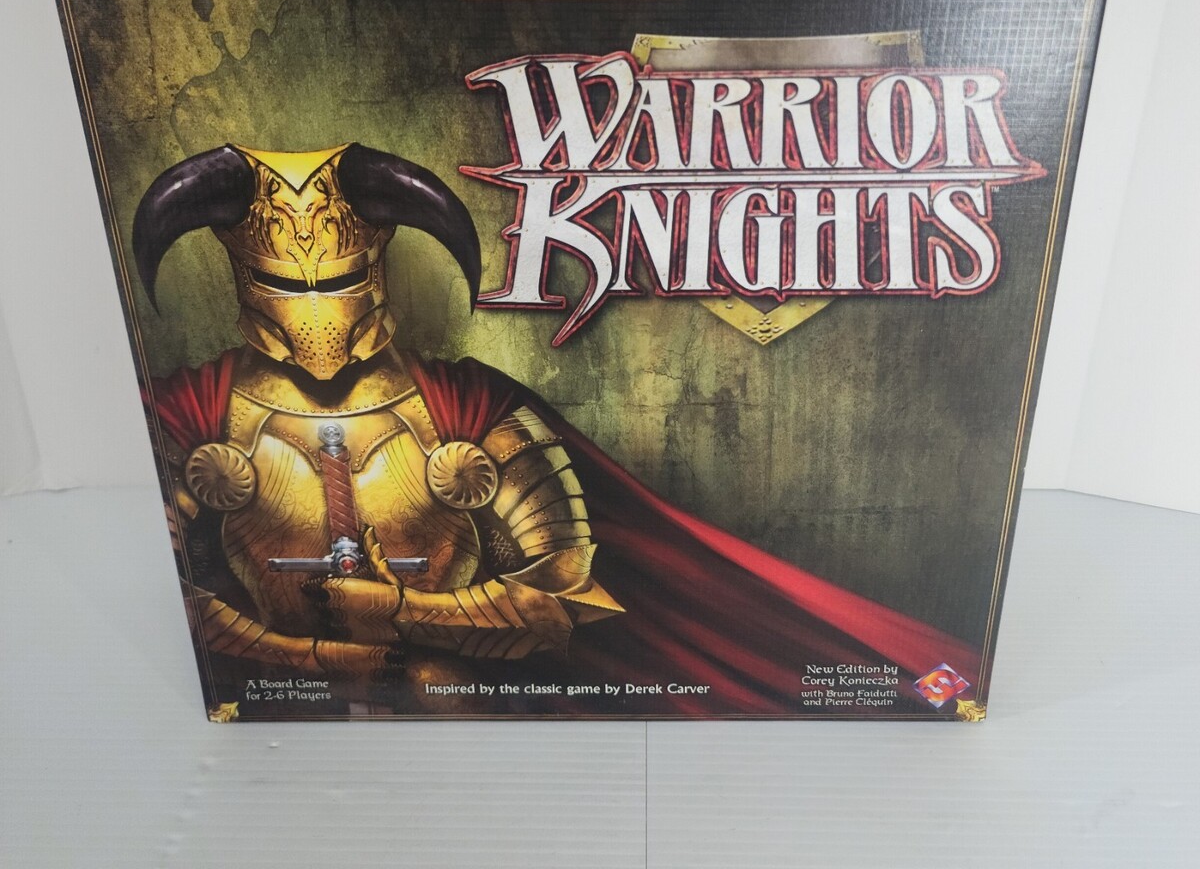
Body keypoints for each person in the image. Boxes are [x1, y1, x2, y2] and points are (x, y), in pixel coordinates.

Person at [137, 143, 979, 716]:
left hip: (454, 707)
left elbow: (568, 597)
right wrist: (319, 663)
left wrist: (402, 611)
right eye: (285, 281)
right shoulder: (191, 411)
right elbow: (175, 596)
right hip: (277, 713)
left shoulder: (467, 409)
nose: (316, 304)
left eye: (340, 276)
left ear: (377, 261)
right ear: (240, 271)